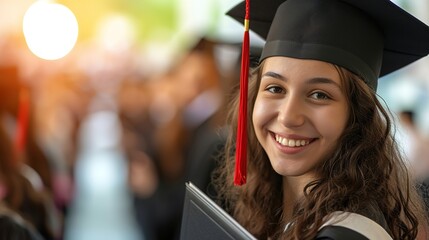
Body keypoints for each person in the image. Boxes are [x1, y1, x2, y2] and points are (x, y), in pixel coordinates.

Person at [212, 0, 429, 239]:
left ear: (358, 115)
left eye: (319, 95)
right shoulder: (271, 212)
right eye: (275, 88)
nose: (288, 117)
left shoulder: (344, 234)